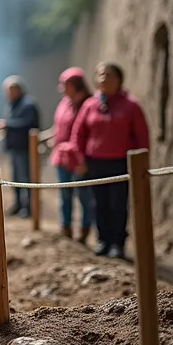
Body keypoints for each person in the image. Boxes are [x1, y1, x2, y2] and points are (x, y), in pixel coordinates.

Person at [73, 63, 150, 259]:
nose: (103, 79)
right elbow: (79, 134)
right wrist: (80, 159)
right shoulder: (90, 105)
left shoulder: (131, 106)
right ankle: (103, 240)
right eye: (100, 75)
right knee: (98, 204)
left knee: (117, 204)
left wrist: (141, 163)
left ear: (119, 80)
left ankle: (117, 243)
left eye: (108, 75)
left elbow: (142, 137)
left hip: (120, 163)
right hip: (95, 163)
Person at [50, 67, 96, 244]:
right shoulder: (65, 103)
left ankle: (85, 228)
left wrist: (81, 158)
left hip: (79, 158)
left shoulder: (87, 104)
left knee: (84, 195)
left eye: (65, 84)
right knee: (65, 194)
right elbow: (60, 128)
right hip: (62, 157)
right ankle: (66, 225)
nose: (63, 88)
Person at [0, 76, 40, 218]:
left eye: (9, 91)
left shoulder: (28, 104)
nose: (7, 94)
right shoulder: (11, 104)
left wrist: (7, 125)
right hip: (15, 148)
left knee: (25, 178)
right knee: (15, 178)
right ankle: (18, 204)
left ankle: (28, 207)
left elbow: (29, 124)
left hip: (25, 148)